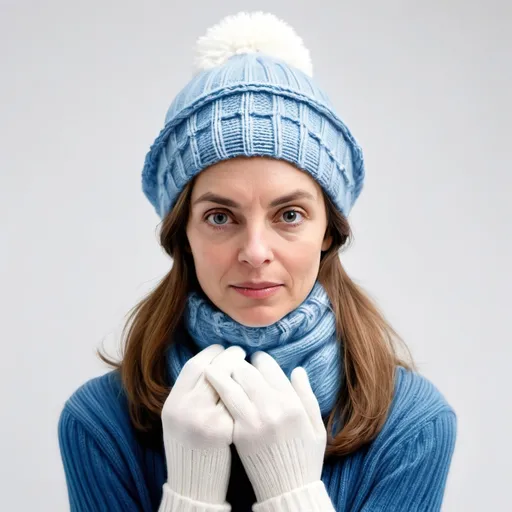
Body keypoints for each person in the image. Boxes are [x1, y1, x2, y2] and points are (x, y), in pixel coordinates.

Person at [57, 11, 457, 512]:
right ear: (182, 231)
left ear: (328, 229)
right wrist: (190, 496)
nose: (255, 252)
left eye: (289, 214)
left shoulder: (413, 424)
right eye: (220, 217)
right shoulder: (99, 422)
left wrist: (292, 495)